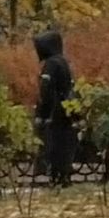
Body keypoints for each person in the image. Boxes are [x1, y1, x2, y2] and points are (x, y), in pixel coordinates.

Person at [34, 30, 77, 186]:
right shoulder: (63, 61)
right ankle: (64, 175)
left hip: (54, 109)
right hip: (66, 108)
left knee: (53, 143)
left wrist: (42, 113)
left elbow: (46, 89)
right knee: (64, 143)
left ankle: (56, 176)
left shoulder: (51, 64)